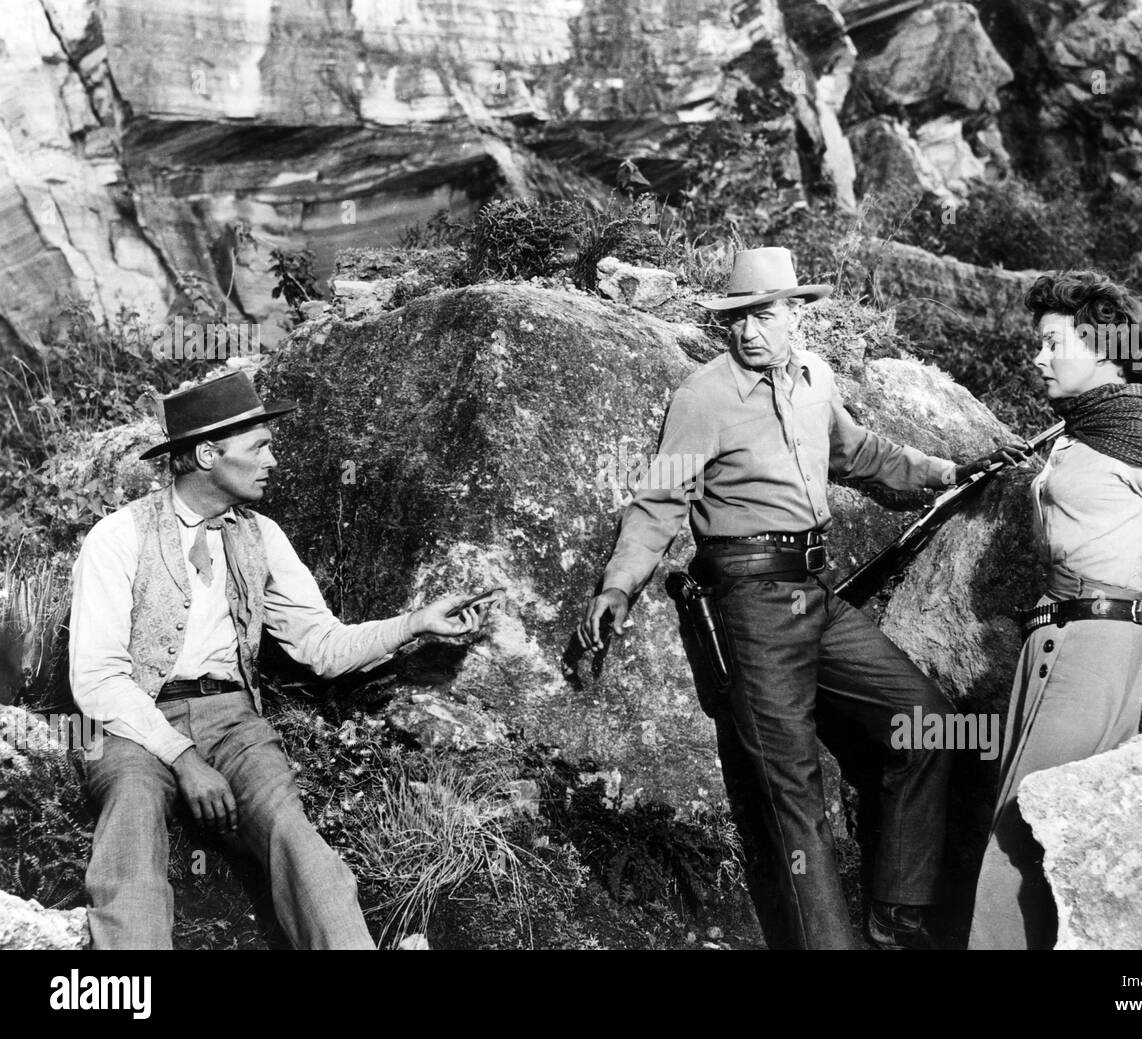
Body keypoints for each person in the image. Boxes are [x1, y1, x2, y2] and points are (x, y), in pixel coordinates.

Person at [579, 246, 1030, 950]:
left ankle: (895, 921)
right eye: (738, 318)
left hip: (815, 597)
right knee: (796, 801)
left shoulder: (816, 380)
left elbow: (863, 455)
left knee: (928, 727)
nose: (749, 331)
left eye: (764, 316)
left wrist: (952, 469)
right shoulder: (702, 396)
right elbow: (661, 500)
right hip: (749, 604)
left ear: (797, 316)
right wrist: (617, 585)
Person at [69, 371, 493, 949]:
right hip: (130, 721)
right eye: (259, 446)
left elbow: (321, 646)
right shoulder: (116, 537)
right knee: (132, 814)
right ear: (205, 454)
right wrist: (185, 760)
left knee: (290, 829)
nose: (274, 459)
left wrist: (416, 622)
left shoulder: (261, 535)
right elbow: (96, 679)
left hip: (230, 718)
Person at [967, 270, 1142, 950]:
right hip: (1047, 647)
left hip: (1100, 649)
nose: (1038, 357)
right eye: (1037, 344)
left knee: (1023, 832)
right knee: (1034, 827)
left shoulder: (1141, 428)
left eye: (1052, 343)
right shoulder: (1080, 429)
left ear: (1102, 347)